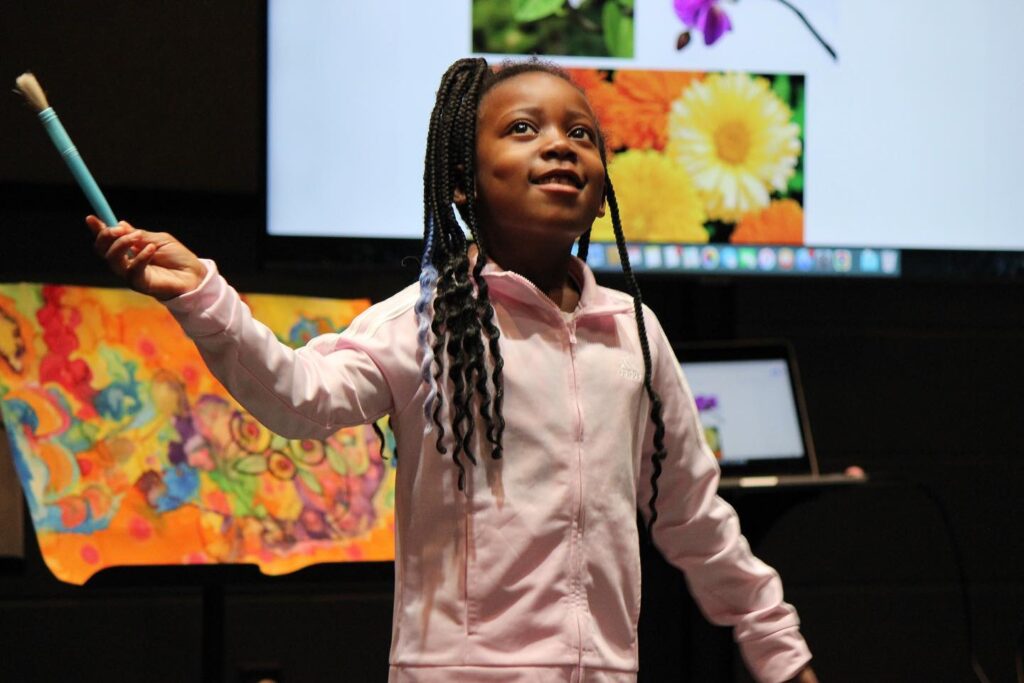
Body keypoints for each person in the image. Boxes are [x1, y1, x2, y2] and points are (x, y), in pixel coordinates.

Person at [87, 58, 819, 683]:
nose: (560, 145)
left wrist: (781, 653)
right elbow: (298, 396)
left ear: (602, 189)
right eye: (524, 129)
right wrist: (205, 296)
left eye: (581, 133)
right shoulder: (426, 319)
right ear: (463, 184)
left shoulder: (633, 330)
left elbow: (694, 516)